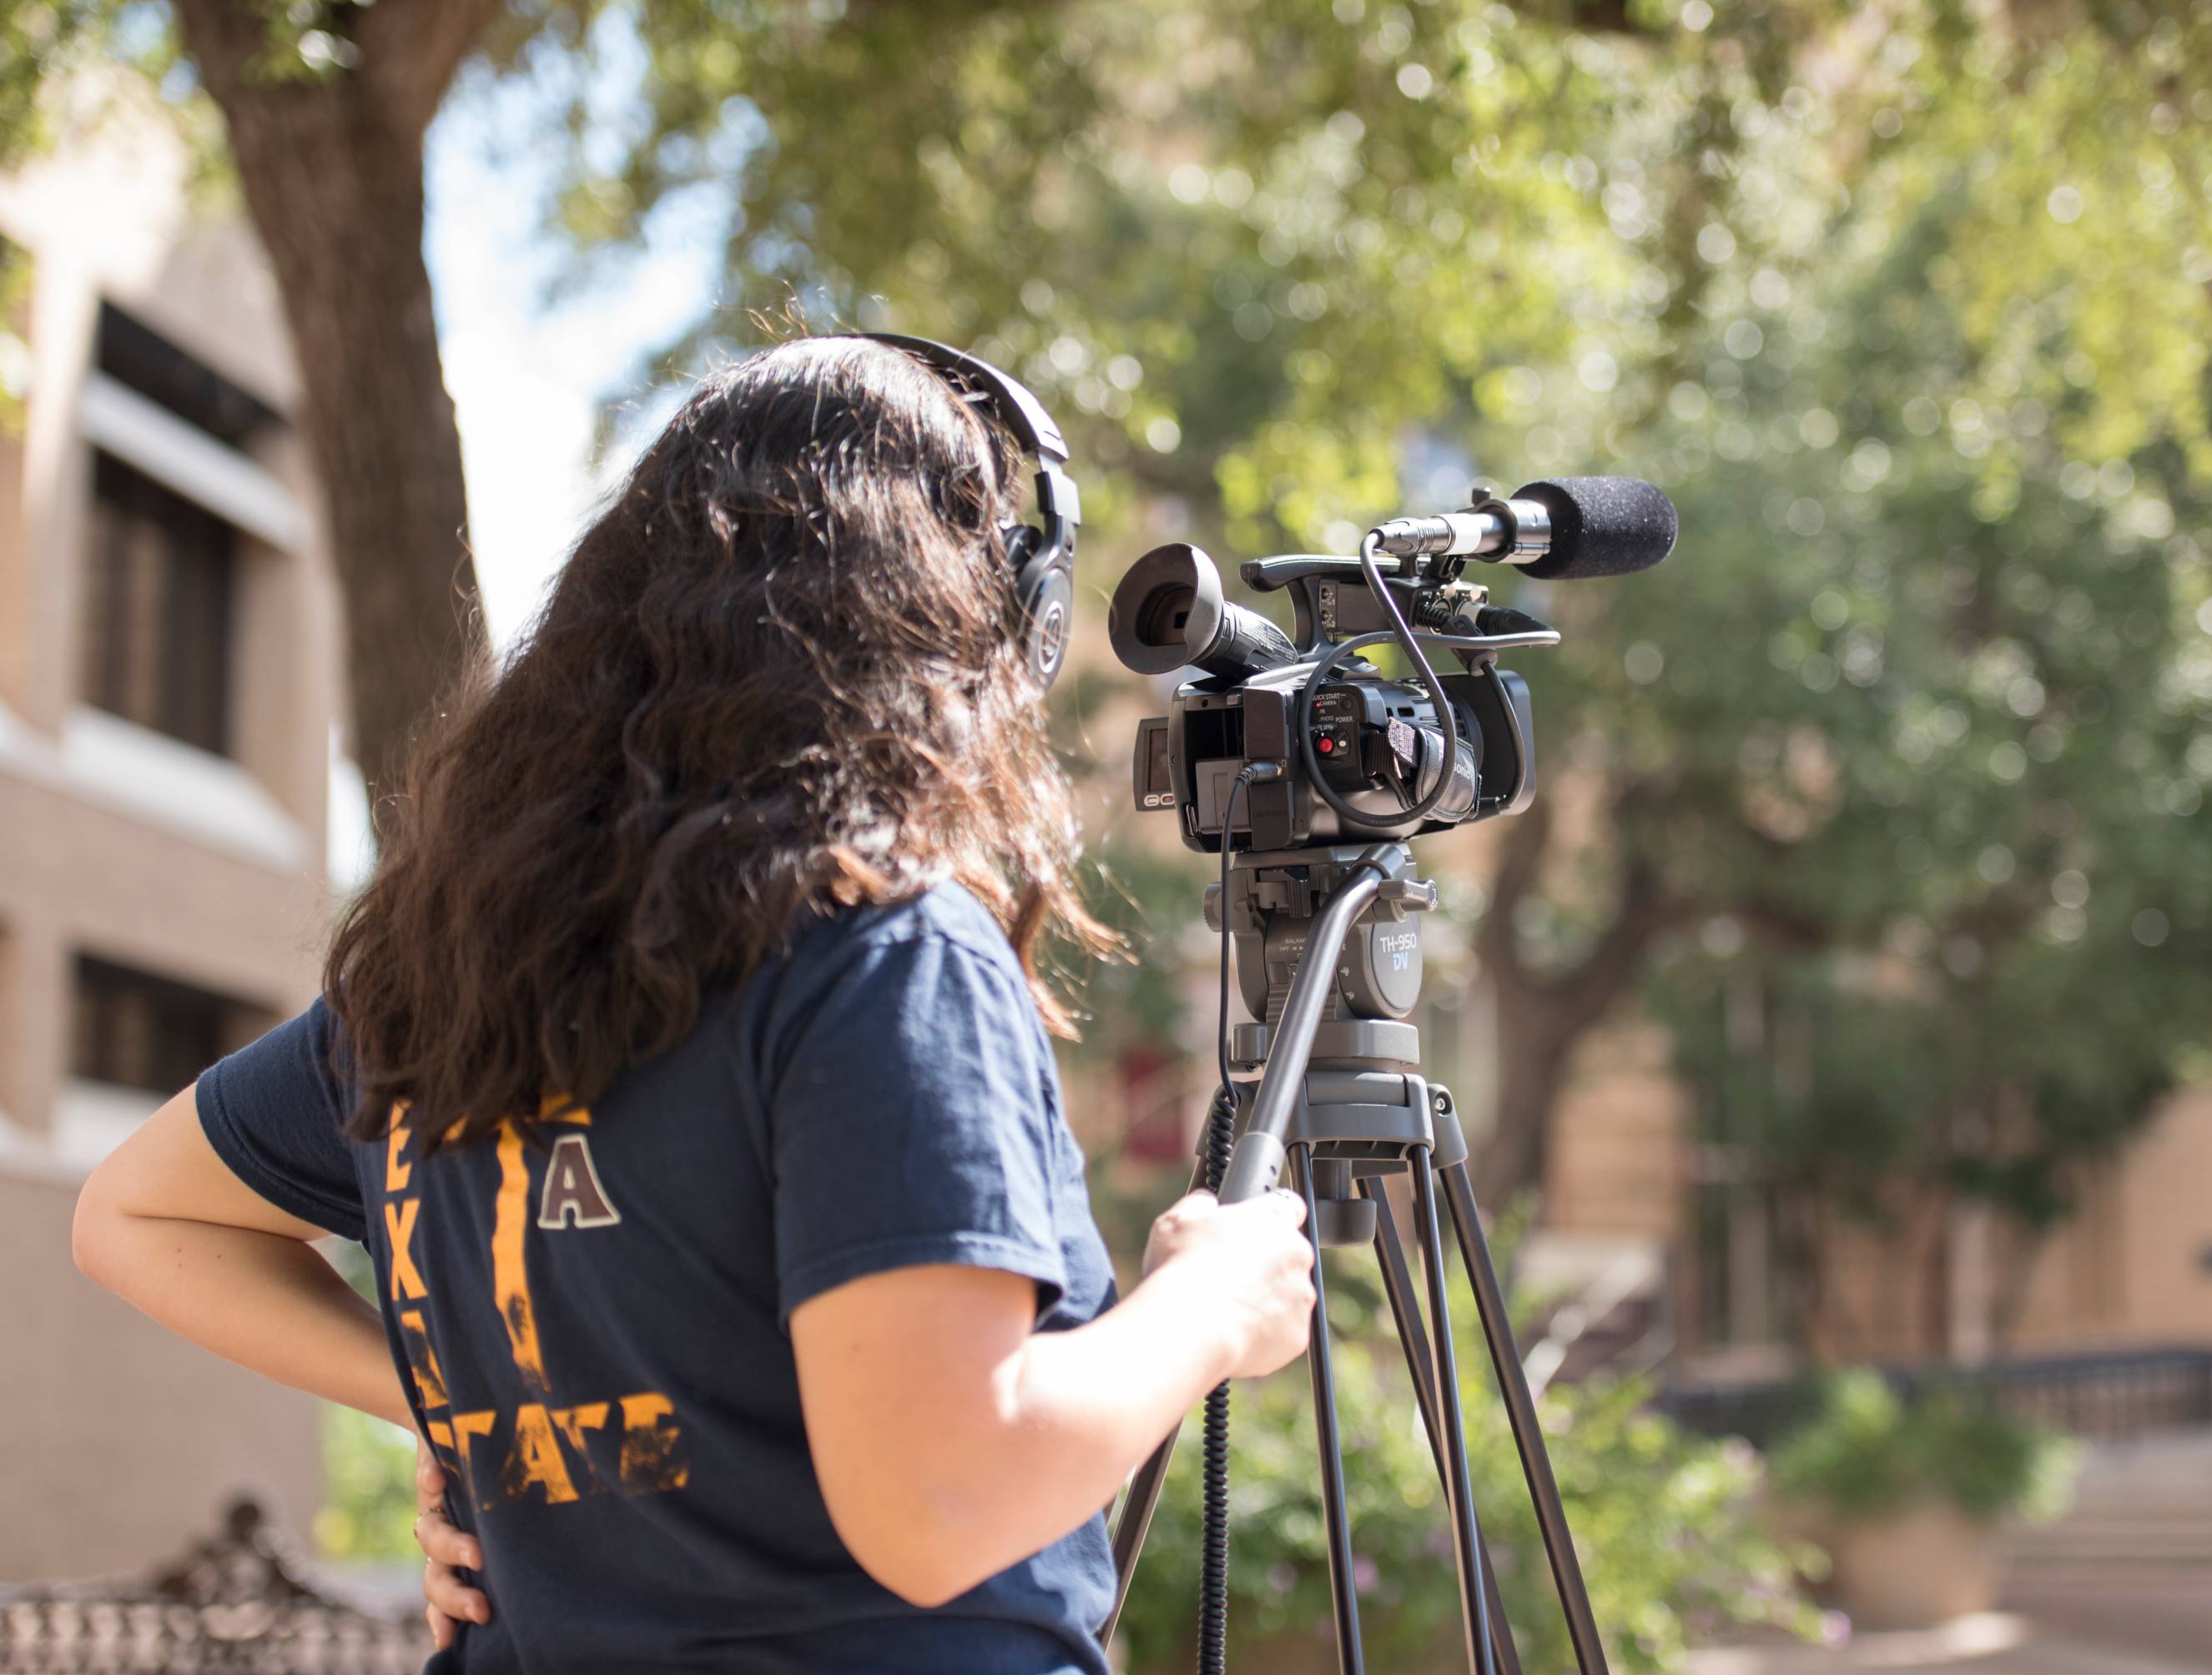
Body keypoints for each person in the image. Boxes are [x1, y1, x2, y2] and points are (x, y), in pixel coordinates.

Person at [68, 335, 1318, 1674]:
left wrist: (490, 1418)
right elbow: (942, 1503)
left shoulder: (441, 972)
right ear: (991, 614)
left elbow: (135, 1213)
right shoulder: (884, 952)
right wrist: (1205, 1310)